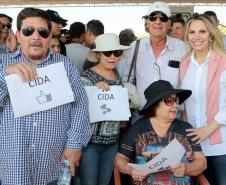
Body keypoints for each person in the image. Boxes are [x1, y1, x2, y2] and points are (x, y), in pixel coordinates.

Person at [0, 7, 92, 185]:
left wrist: (74, 144)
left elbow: (80, 104)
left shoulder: (65, 65)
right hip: (15, 166)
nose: (36, 37)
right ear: (18, 35)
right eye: (29, 31)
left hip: (53, 165)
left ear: (50, 36)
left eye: (43, 32)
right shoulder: (3, 64)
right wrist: (5, 75)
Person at [115, 80, 207, 185]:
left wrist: (186, 168)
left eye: (176, 100)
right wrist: (129, 170)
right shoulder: (138, 128)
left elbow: (202, 162)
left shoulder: (186, 128)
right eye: (169, 101)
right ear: (155, 104)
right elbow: (120, 159)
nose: (176, 105)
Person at [180, 13, 226, 185]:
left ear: (211, 35)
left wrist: (208, 129)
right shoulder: (184, 63)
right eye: (192, 32)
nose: (196, 37)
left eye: (202, 32)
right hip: (194, 145)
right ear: (187, 36)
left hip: (220, 143)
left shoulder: (223, 61)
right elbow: (184, 102)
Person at [79, 33, 130, 185]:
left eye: (117, 52)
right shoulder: (86, 77)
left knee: (105, 182)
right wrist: (93, 91)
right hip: (90, 143)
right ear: (98, 54)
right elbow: (78, 111)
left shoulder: (117, 75)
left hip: (112, 142)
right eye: (108, 53)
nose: (112, 57)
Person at [121, 1, 186, 110]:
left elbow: (186, 83)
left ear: (169, 23)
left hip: (172, 114)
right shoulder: (136, 46)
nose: (157, 21)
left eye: (163, 18)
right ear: (147, 22)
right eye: (153, 17)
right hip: (142, 114)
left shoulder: (181, 48)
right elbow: (126, 80)